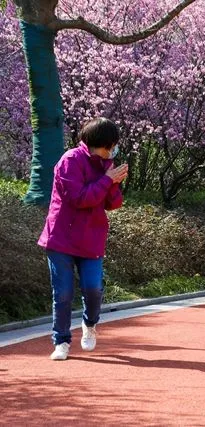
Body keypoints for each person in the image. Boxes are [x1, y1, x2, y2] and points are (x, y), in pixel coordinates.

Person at [38, 117, 128, 361]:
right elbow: (80, 198)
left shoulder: (106, 164)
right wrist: (107, 180)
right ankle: (61, 341)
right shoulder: (70, 161)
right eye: (112, 145)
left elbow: (113, 204)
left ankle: (90, 323)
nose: (113, 150)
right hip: (62, 237)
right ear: (101, 143)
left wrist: (114, 183)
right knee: (63, 293)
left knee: (93, 288)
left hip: (91, 237)